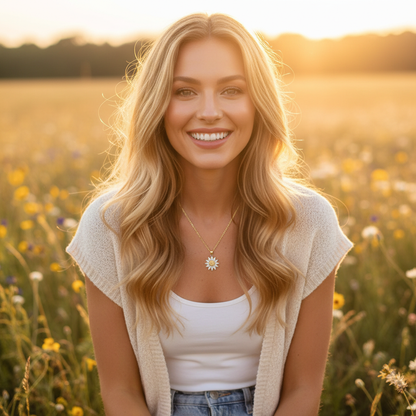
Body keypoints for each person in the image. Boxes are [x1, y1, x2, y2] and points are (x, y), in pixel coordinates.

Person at [66, 12, 353, 416]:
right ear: (157, 105)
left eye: (232, 90)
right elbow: (120, 393)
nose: (209, 112)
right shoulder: (109, 226)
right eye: (184, 92)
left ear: (259, 103)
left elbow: (303, 391)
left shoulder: (309, 222)